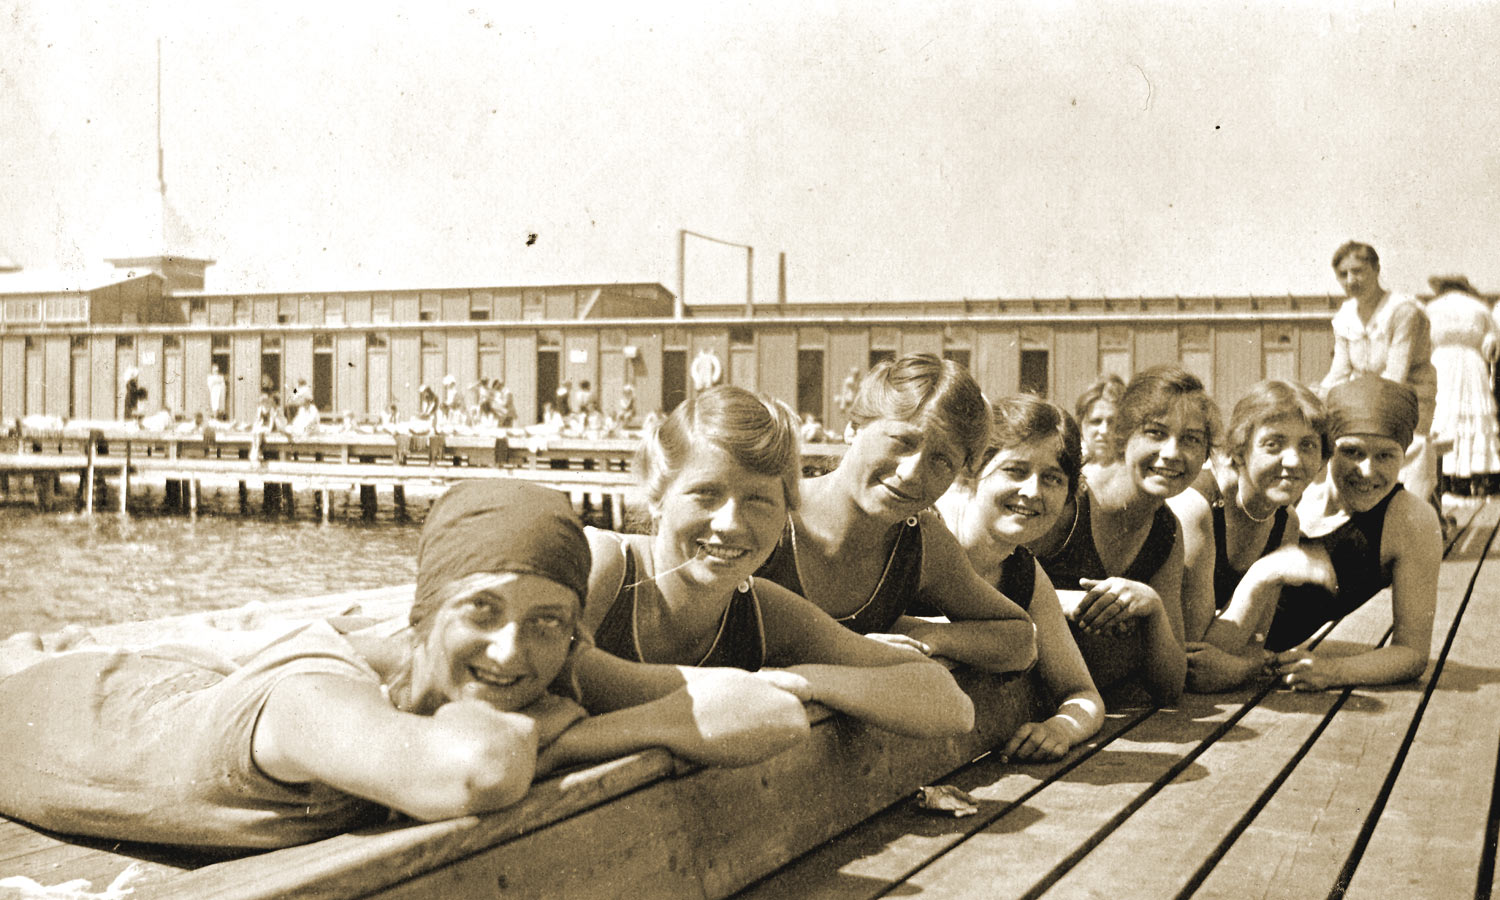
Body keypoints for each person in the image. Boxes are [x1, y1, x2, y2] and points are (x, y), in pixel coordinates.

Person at [0, 481, 811, 849]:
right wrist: (556, 734)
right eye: (481, 610)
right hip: (42, 705)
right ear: (424, 613)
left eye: (546, 624)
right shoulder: (314, 696)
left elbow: (766, 713)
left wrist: (571, 705)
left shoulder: (511, 670)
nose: (509, 652)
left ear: (573, 633)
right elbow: (479, 769)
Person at [583, 384, 976, 738]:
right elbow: (552, 675)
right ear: (657, 496)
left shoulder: (762, 611)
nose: (730, 524)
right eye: (705, 493)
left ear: (787, 510)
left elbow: (949, 704)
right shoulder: (603, 567)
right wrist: (728, 692)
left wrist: (806, 681)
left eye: (758, 501)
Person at [756, 354, 1036, 674]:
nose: (911, 473)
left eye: (942, 461)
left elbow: (1020, 639)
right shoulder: (768, 511)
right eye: (902, 441)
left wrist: (929, 636)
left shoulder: (920, 542)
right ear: (853, 428)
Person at [1195, 376, 1441, 692]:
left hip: (1244, 663)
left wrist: (1333, 671)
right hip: (1203, 643)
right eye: (1352, 451)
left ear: (1404, 456)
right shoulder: (1288, 484)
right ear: (1327, 451)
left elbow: (1412, 653)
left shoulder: (1410, 520)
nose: (1366, 470)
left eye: (1385, 456)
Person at [1029, 365, 1214, 704]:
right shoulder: (1071, 502)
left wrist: (1153, 607)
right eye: (1156, 433)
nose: (1172, 453)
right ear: (1123, 436)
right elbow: (987, 588)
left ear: (1205, 455)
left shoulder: (1166, 532)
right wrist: (1069, 602)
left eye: (1191, 439)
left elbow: (1171, 685)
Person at [935, 395, 1103, 761]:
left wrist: (1062, 727)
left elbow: (1083, 693)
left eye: (1053, 479)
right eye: (1015, 470)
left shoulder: (1022, 572)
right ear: (973, 470)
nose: (1032, 491)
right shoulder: (928, 533)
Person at [1167, 382, 1329, 688]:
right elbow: (1192, 664)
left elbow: (1254, 644)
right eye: (1274, 444)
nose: (1293, 461)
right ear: (1239, 451)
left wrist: (1243, 666)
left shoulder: (1286, 522)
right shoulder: (1196, 508)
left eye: (1307, 445)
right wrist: (1263, 574)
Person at [1321, 241, 1438, 509]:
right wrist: (1319, 396)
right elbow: (1339, 370)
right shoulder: (1345, 317)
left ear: (1376, 269)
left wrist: (1358, 401)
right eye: (1343, 274)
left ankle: (1409, 513)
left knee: (1390, 443)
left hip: (1410, 397)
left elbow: (1396, 375)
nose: (1351, 280)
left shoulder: (1403, 311)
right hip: (1364, 396)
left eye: (1358, 271)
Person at [1425, 275, 1500, 496]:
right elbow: (1491, 346)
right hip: (1472, 363)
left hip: (1441, 363)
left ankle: (1445, 477)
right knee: (1474, 416)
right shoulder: (1479, 308)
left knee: (1444, 415)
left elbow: (1424, 341)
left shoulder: (1431, 308)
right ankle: (1475, 476)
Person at [1075, 374, 1126, 481]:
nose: (1104, 430)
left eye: (1112, 422)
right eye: (1096, 421)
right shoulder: (1071, 471)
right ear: (1081, 426)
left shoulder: (1133, 473)